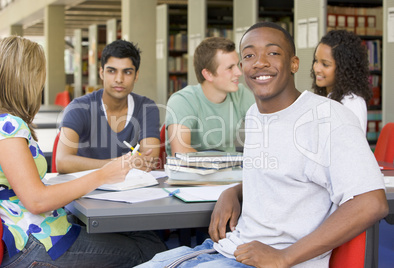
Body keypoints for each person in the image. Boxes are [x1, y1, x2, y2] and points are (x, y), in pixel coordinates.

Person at [136, 22, 388, 268]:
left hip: (275, 259)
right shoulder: (256, 114)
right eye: (249, 55)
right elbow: (284, 174)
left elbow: (371, 202)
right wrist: (234, 191)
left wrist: (285, 257)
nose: (260, 62)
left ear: (294, 63)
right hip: (228, 249)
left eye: (273, 52)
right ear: (242, 66)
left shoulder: (329, 117)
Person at [0, 36, 166, 268]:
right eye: (39, 73)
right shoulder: (8, 126)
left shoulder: (5, 123)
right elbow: (36, 200)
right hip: (36, 244)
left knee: (144, 238)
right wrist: (104, 174)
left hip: (43, 234)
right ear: (25, 77)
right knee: (149, 250)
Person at [57, 39, 160, 173]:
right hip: (86, 190)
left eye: (127, 72)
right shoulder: (79, 107)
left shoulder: (147, 107)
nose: (119, 79)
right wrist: (121, 164)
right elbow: (62, 162)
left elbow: (149, 161)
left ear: (136, 76)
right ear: (102, 73)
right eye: (112, 71)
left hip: (132, 190)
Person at [165, 36, 255, 157]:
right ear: (208, 74)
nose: (239, 72)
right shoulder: (182, 101)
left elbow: (268, 130)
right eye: (230, 68)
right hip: (190, 173)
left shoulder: (241, 94)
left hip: (230, 172)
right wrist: (229, 161)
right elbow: (181, 152)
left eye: (237, 65)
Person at [311, 30, 372, 134]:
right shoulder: (328, 95)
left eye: (325, 64)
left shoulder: (352, 102)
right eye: (316, 61)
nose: (317, 68)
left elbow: (350, 145)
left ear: (344, 68)